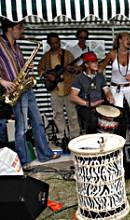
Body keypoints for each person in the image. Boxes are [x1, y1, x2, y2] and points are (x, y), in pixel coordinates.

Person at [0, 19, 60, 170]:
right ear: (10, 28)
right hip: (15, 91)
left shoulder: (17, 46)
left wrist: (28, 67)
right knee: (21, 128)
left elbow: (20, 67)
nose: (22, 31)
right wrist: (2, 81)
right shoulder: (0, 45)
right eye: (19, 27)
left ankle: (45, 154)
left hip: (26, 88)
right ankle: (25, 161)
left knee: (38, 122)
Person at [38, 33, 80, 147]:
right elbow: (40, 70)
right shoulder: (46, 57)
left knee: (72, 113)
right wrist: (48, 76)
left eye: (57, 42)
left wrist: (72, 69)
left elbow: (77, 69)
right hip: (54, 89)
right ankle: (62, 136)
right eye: (52, 43)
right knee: (58, 114)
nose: (55, 44)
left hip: (68, 87)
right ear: (49, 43)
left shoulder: (67, 55)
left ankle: (75, 136)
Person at [99, 32, 130, 141]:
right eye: (127, 38)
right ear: (120, 40)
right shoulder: (112, 54)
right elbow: (100, 70)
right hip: (115, 88)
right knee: (117, 113)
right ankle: (118, 137)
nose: (129, 41)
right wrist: (103, 86)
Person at [71, 52, 114, 134]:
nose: (96, 64)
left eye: (96, 61)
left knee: (121, 116)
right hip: (85, 107)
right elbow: (73, 97)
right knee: (92, 120)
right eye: (93, 62)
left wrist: (110, 96)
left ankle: (119, 143)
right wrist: (89, 104)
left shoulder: (100, 76)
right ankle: (92, 142)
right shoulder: (79, 78)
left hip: (100, 105)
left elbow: (106, 90)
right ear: (86, 64)